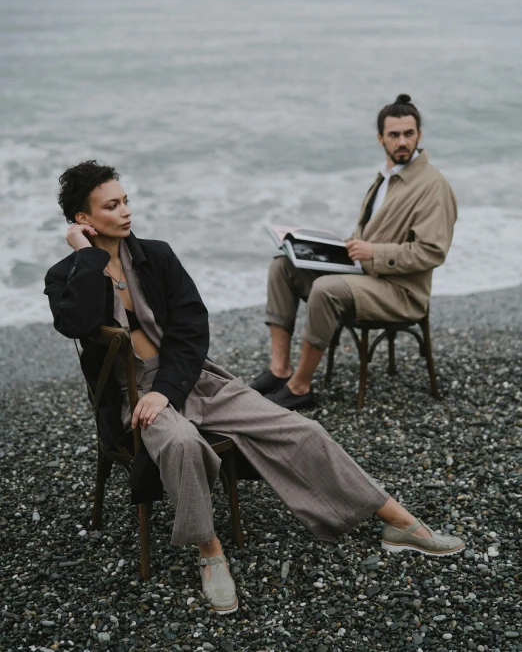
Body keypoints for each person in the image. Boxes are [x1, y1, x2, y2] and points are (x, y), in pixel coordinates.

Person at [44, 160, 464, 616]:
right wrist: (87, 257)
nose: (126, 211)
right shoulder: (65, 275)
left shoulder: (156, 255)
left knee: (303, 430)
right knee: (183, 443)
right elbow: (77, 323)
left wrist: (167, 387)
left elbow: (190, 328)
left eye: (126, 200)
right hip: (132, 397)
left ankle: (397, 521)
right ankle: (210, 552)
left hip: (187, 378)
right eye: (111, 205)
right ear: (83, 220)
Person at [251, 94, 457, 410]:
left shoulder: (433, 186)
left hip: (401, 292)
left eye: (408, 134)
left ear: (419, 135)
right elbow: (368, 234)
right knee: (282, 265)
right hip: (365, 274)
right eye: (394, 135)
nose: (402, 141)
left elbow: (432, 252)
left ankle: (300, 386)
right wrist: (326, 249)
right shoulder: (385, 178)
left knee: (324, 289)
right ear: (381, 139)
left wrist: (373, 252)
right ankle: (280, 369)